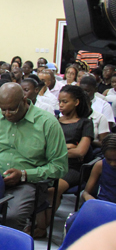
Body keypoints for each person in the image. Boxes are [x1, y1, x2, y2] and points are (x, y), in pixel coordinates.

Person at [0, 83, 68, 231]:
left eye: (12, 109)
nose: (7, 114)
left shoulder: (47, 123)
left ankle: (8, 248)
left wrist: (24, 175)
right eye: (3, 109)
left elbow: (59, 166)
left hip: (27, 183)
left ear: (24, 100)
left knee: (12, 216)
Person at [30, 86, 94, 237]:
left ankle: (41, 227)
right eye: (59, 102)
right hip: (52, 164)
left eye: (65, 102)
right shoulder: (55, 121)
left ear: (76, 102)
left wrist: (59, 150)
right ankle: (41, 226)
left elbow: (80, 152)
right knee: (36, 185)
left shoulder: (85, 123)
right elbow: (43, 147)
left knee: (53, 190)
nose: (61, 105)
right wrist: (68, 146)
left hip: (73, 168)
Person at [82, 134, 116, 204]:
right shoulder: (100, 165)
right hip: (103, 205)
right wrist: (92, 201)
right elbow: (86, 192)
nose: (113, 164)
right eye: (109, 159)